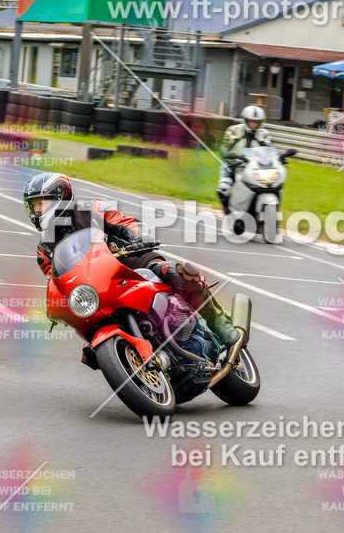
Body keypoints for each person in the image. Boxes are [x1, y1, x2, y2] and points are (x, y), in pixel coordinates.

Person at [22, 173, 239, 367]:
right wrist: (56, 304)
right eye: (32, 205)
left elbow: (126, 222)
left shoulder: (92, 209)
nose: (36, 210)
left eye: (41, 202)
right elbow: (56, 281)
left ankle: (218, 321)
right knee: (91, 354)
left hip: (131, 261)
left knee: (179, 272)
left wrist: (139, 235)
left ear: (61, 196)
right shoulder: (44, 250)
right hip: (96, 289)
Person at [216, 105, 272, 210]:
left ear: (261, 122)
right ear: (244, 120)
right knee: (224, 188)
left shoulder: (265, 134)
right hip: (235, 163)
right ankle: (227, 207)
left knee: (270, 184)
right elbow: (224, 146)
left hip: (256, 166)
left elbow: (269, 150)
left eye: (257, 122)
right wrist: (228, 155)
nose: (254, 125)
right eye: (251, 121)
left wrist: (278, 158)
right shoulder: (234, 130)